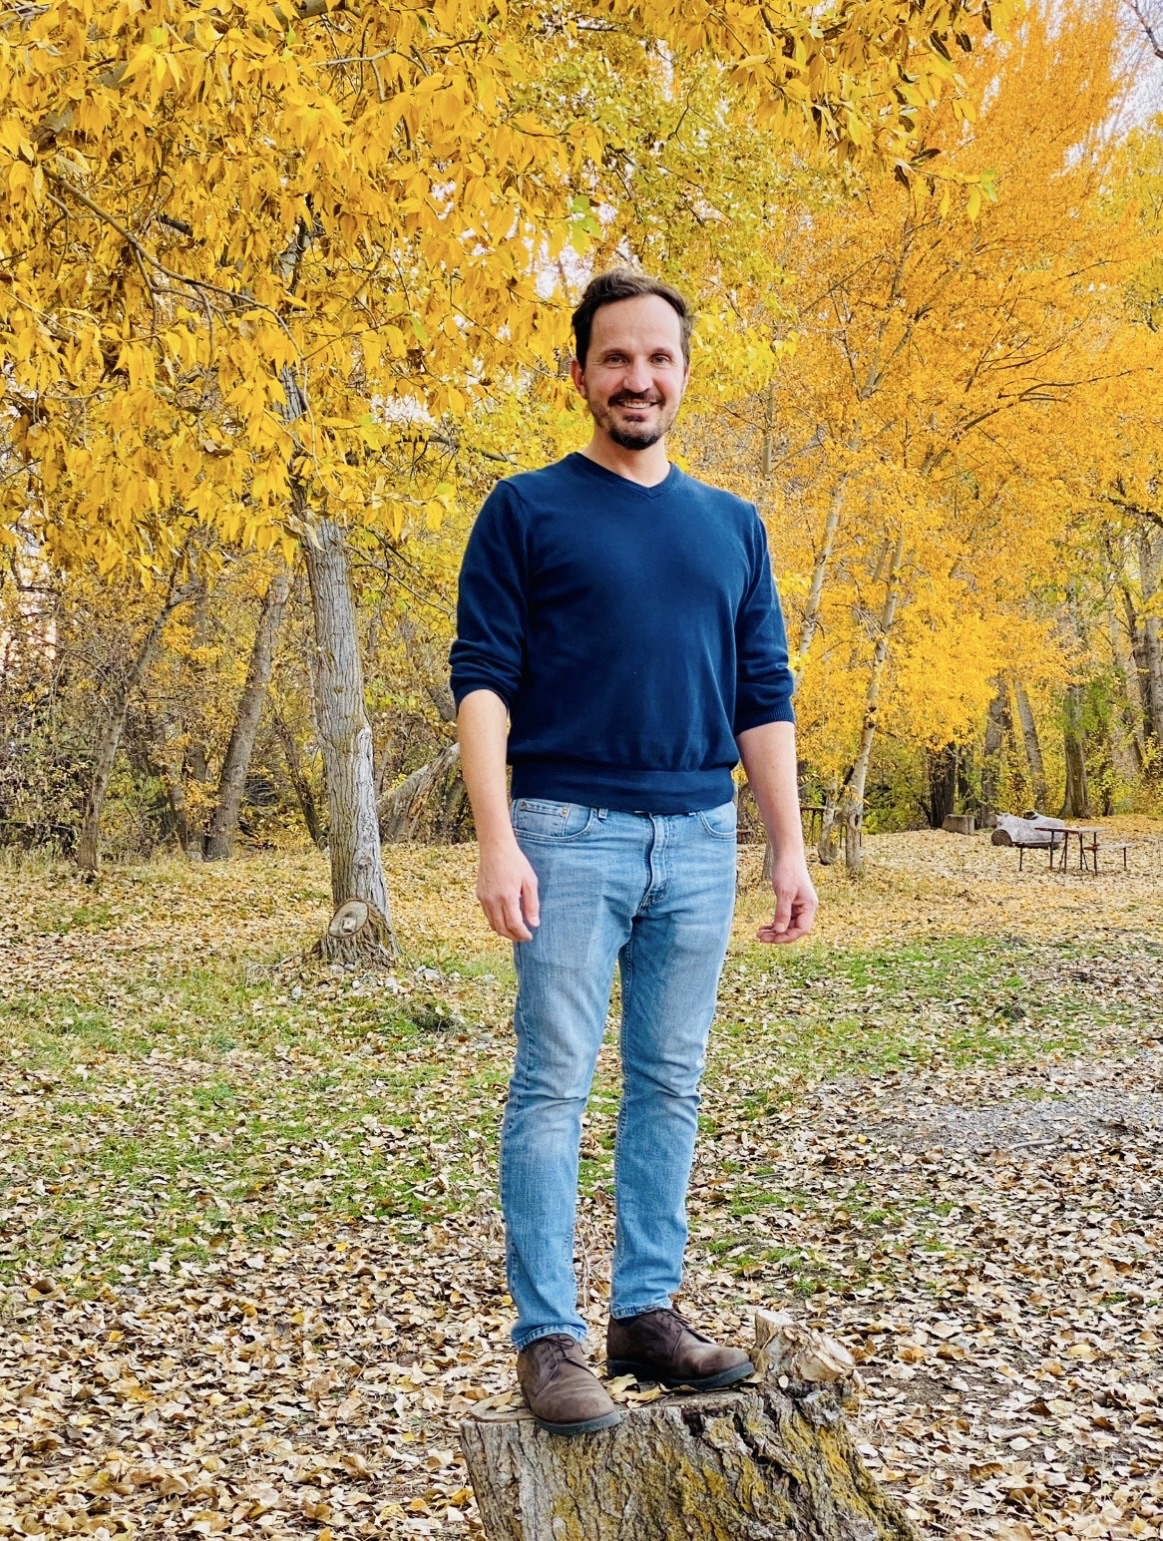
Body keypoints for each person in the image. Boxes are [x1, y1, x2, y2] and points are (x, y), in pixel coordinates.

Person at [449, 270, 817, 1436]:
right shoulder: (527, 509)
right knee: (552, 1084)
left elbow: (764, 694)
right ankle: (549, 1337)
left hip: (702, 835)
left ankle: (645, 1312)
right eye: (616, 358)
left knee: (669, 1081)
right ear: (581, 374)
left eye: (658, 358)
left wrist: (787, 849)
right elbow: (483, 682)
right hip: (566, 832)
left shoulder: (733, 525)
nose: (638, 378)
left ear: (684, 372)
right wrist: (496, 835)